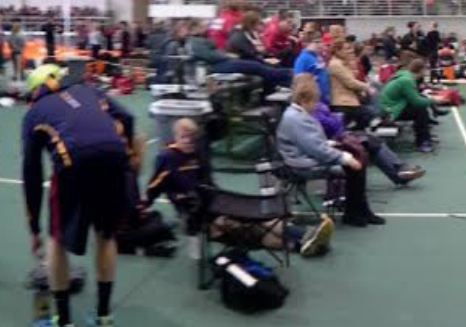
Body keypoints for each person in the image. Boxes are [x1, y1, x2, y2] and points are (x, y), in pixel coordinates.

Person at [23, 63, 135, 327]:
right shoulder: (88, 90)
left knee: (57, 241)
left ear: (36, 89)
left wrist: (35, 226)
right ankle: (103, 319)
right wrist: (128, 153)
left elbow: (31, 173)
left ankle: (63, 326)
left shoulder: (35, 112)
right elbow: (127, 117)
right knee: (106, 235)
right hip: (114, 157)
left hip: (73, 164)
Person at [145, 118, 334, 258]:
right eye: (183, 137)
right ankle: (300, 243)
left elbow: (208, 181)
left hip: (215, 201)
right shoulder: (167, 158)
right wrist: (143, 207)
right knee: (249, 229)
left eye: (191, 138)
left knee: (257, 220)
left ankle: (304, 237)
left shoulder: (198, 154)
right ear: (175, 137)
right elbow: (154, 187)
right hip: (195, 211)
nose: (187, 141)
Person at [278, 76, 383, 227]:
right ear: (304, 100)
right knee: (354, 165)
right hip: (301, 164)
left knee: (359, 157)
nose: (316, 106)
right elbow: (317, 150)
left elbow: (312, 144)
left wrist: (333, 145)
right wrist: (344, 158)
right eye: (314, 102)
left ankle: (359, 211)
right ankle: (355, 212)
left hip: (305, 157)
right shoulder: (297, 119)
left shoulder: (297, 114)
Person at [188, 20, 292, 93]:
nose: (207, 27)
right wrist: (226, 55)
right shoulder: (195, 42)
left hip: (222, 62)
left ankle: (288, 76)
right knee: (256, 66)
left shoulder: (199, 40)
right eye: (203, 26)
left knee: (259, 66)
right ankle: (289, 75)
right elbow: (209, 56)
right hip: (216, 66)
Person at [380, 59, 442, 154]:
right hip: (390, 111)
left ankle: (424, 135)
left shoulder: (405, 75)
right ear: (421, 70)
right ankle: (423, 141)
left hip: (392, 106)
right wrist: (435, 100)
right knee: (420, 109)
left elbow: (414, 97)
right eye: (426, 70)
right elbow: (417, 101)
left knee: (420, 107)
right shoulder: (407, 80)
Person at [327, 40, 381, 129]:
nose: (349, 51)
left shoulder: (342, 63)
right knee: (371, 114)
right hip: (343, 103)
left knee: (368, 116)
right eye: (346, 49)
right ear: (337, 50)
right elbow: (350, 83)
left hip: (349, 101)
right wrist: (367, 87)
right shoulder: (336, 64)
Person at [293, 34, 330, 104]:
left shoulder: (317, 57)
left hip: (323, 99)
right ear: (307, 43)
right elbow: (298, 78)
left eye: (321, 42)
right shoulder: (303, 58)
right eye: (316, 42)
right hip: (312, 100)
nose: (320, 45)